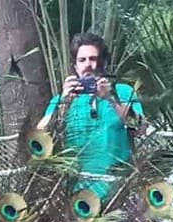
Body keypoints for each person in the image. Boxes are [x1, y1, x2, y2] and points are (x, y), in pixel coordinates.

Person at [37, 33, 145, 201]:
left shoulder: (123, 92)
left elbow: (140, 128)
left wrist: (110, 98)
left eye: (93, 59)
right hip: (77, 194)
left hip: (119, 189)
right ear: (75, 66)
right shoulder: (61, 100)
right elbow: (40, 134)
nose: (88, 64)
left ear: (102, 62)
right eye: (82, 60)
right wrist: (63, 104)